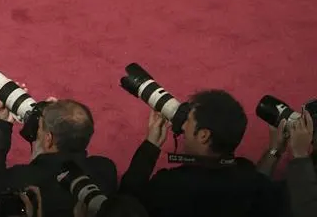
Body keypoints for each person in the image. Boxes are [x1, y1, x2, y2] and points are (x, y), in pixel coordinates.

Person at [119, 90, 285, 217]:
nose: (183, 127)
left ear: (203, 135)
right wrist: (274, 149)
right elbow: (259, 183)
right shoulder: (247, 174)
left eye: (189, 121)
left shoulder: (168, 186)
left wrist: (151, 145)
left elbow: (125, 203)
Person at [0, 95, 118, 217]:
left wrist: (2, 123)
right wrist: (58, 114)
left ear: (48, 139)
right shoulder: (105, 169)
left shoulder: (22, 180)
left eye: (40, 126)